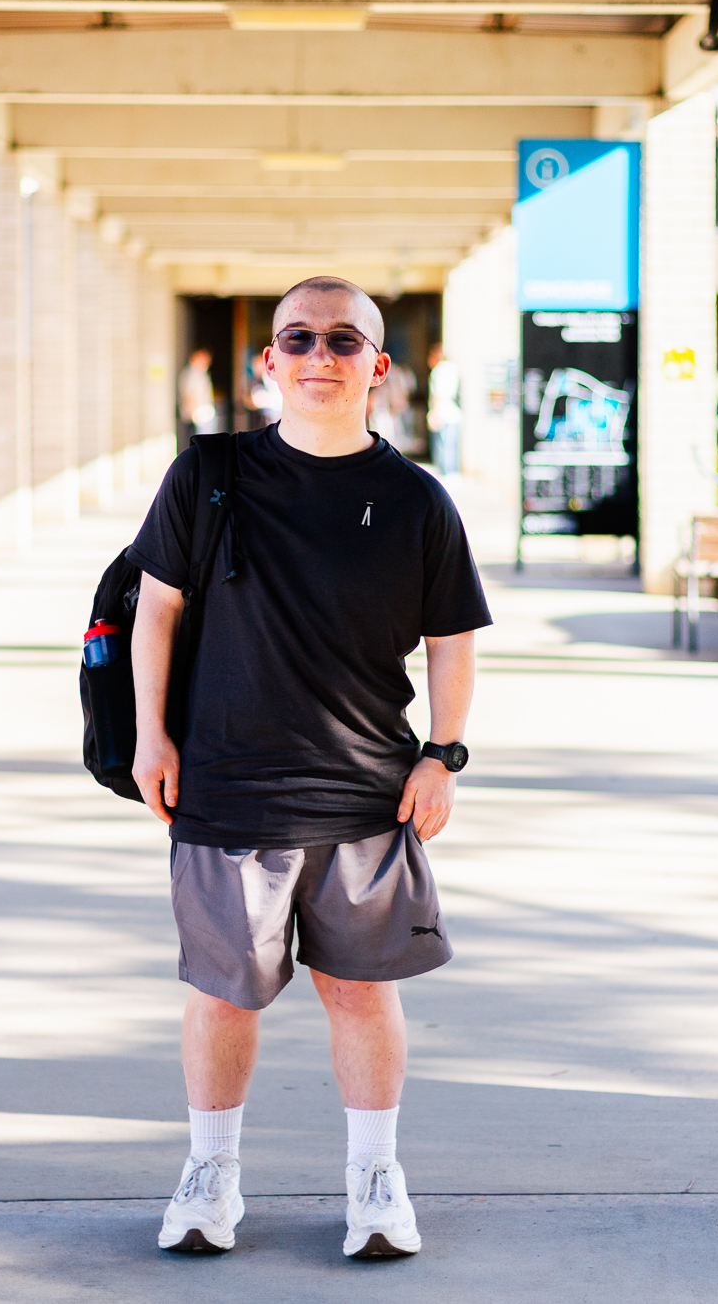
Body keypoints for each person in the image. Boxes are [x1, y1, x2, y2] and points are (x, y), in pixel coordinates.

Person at [127, 276, 491, 1260]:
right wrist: (150, 736)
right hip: (226, 787)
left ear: (378, 366)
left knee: (362, 993)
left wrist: (443, 755)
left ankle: (375, 1181)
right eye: (298, 338)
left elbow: (451, 640)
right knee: (223, 994)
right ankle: (210, 1176)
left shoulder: (416, 500)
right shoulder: (207, 474)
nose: (318, 355)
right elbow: (155, 610)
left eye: (342, 340)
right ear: (269, 361)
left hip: (367, 795)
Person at [426, 344, 462, 475]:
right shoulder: (453, 368)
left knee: (443, 447)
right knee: (452, 447)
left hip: (442, 412)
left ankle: (445, 474)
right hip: (454, 413)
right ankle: (452, 473)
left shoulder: (438, 371)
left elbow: (437, 394)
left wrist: (434, 412)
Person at [179, 349, 218, 440]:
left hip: (203, 413)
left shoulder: (201, 373)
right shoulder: (192, 374)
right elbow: (188, 395)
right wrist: (193, 413)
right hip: (198, 415)